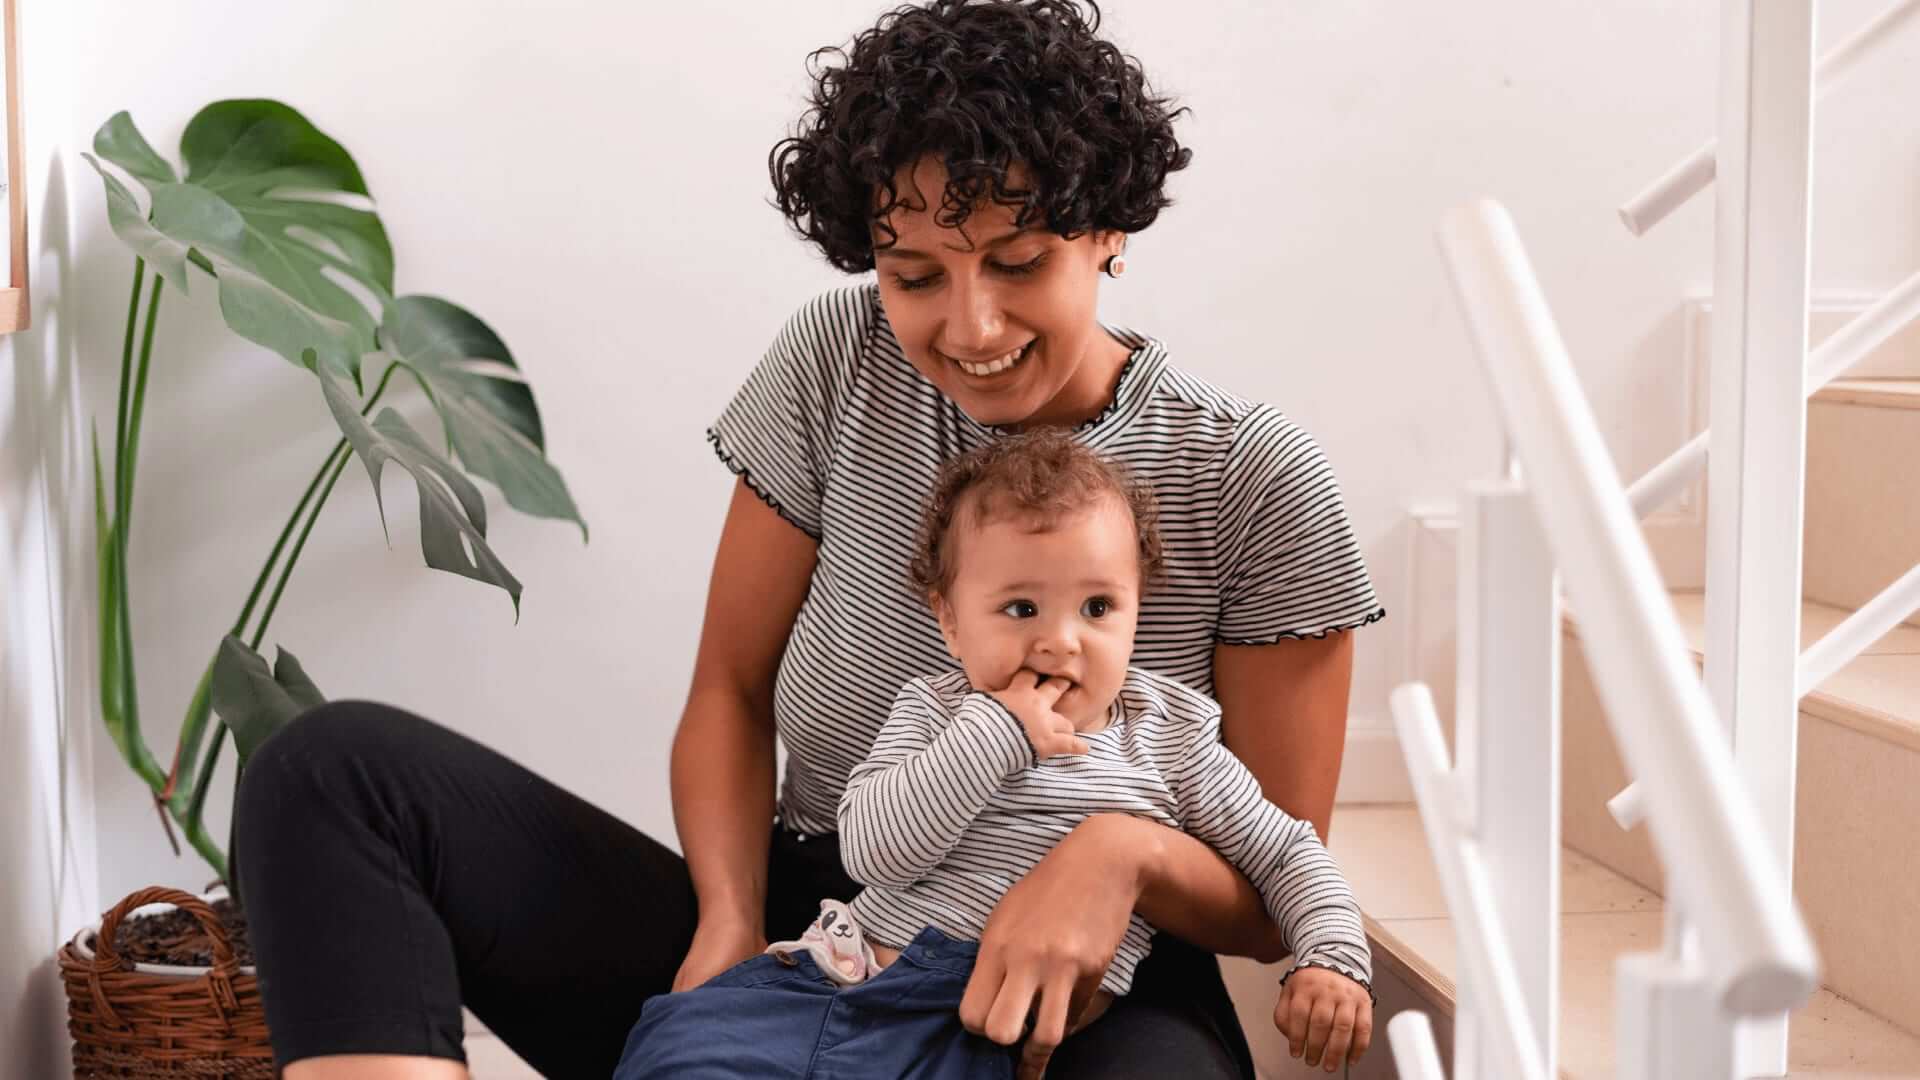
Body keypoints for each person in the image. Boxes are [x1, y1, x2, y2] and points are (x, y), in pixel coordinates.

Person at [233, 2, 1386, 1078]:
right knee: (332, 771)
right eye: (916, 276)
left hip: (1089, 969)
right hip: (818, 928)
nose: (969, 324)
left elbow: (1274, 870)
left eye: (1018, 263)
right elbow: (731, 691)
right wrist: (729, 924)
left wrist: (1116, 853)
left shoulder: (1252, 474)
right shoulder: (835, 360)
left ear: (1109, 229)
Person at [613, 431, 1374, 1079]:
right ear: (949, 621)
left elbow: (1286, 852)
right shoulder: (938, 710)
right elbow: (876, 851)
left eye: (1098, 607)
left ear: (1138, 608)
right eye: (1020, 608)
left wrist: (1332, 957)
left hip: (987, 1020)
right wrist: (994, 734)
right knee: (678, 1043)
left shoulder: (1168, 738)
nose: (1060, 639)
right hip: (844, 974)